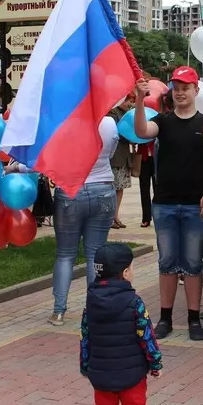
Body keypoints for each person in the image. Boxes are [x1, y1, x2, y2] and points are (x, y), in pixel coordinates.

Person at [133, 67, 203, 341]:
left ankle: (193, 318)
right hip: (165, 203)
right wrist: (139, 100)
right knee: (167, 261)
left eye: (185, 88)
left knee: (192, 262)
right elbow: (142, 130)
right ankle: (165, 317)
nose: (180, 93)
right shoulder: (164, 121)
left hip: (195, 205)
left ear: (196, 90)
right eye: (176, 88)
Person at [79, 243, 161, 405]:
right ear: (125, 273)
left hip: (101, 372)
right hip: (132, 374)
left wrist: (85, 365)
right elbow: (146, 335)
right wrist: (155, 363)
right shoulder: (135, 302)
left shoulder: (90, 302)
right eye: (132, 268)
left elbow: (86, 336)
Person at [46, 113, 119, 326]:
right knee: (95, 255)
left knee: (65, 254)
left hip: (71, 189)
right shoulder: (108, 122)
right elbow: (110, 153)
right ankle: (95, 310)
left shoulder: (63, 122)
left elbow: (51, 158)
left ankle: (58, 311)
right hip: (103, 188)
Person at [108, 95, 136, 229]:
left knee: (120, 188)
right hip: (115, 157)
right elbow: (116, 133)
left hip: (124, 157)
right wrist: (131, 136)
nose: (130, 104)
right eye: (128, 101)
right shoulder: (112, 114)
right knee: (113, 188)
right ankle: (110, 217)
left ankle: (116, 216)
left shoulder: (128, 113)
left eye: (132, 101)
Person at [137, 142, 156, 228]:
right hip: (143, 158)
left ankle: (158, 216)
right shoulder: (141, 132)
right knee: (144, 189)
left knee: (158, 189)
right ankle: (146, 218)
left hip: (157, 157)